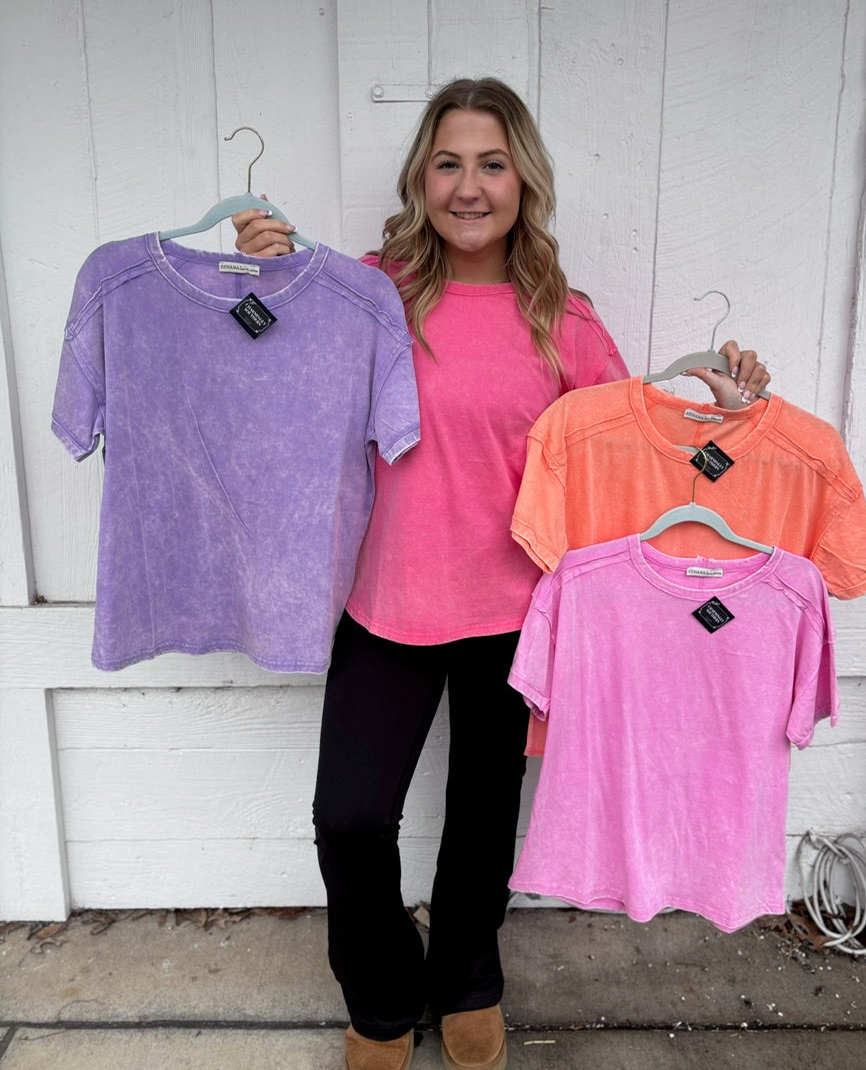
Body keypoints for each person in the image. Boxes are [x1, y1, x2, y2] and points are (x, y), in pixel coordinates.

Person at [232, 78, 769, 1070]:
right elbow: (270, 377)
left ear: (524, 181)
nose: (469, 187)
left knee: (483, 822)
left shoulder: (565, 320)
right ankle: (384, 997)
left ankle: (469, 979)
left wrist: (727, 414)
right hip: (387, 604)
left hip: (518, 614)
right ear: (421, 178)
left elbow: (636, 457)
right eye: (448, 163)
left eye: (492, 164)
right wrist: (257, 286)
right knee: (350, 818)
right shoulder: (367, 294)